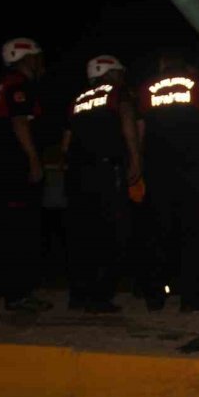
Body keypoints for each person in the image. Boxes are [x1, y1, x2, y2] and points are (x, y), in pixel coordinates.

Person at [137, 49, 199, 312]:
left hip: (156, 167)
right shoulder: (198, 83)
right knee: (192, 232)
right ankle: (191, 297)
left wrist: (139, 162)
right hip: (191, 167)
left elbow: (140, 128)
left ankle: (154, 296)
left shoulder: (147, 87)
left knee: (159, 231)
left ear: (162, 64)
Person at [0, 37, 52, 312]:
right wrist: (33, 160)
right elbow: (20, 122)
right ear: (27, 58)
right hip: (13, 166)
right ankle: (19, 293)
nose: (41, 63)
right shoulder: (19, 86)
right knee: (21, 228)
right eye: (38, 57)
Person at [61, 55, 141, 313]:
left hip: (77, 171)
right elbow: (128, 122)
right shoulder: (117, 93)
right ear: (112, 73)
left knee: (81, 232)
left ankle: (78, 295)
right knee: (111, 230)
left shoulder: (78, 98)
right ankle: (100, 296)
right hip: (106, 169)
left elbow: (66, 139)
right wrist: (135, 158)